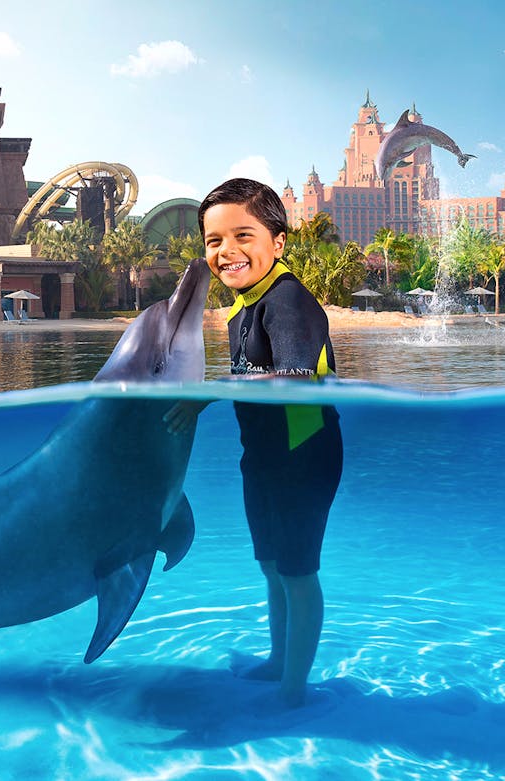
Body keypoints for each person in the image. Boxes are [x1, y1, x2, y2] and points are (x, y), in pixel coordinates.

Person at [165, 177, 342, 708]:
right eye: (214, 240)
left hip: (302, 455)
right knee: (272, 566)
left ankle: (295, 689)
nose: (227, 251)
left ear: (278, 242)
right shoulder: (245, 308)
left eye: (244, 235)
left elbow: (293, 379)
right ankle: (278, 661)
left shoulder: (287, 301)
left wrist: (210, 391)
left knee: (297, 572)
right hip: (263, 456)